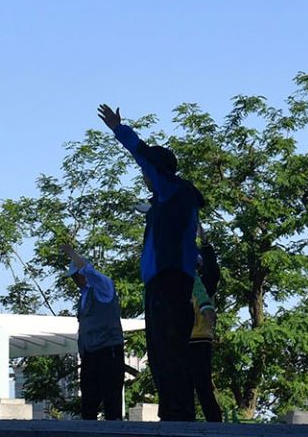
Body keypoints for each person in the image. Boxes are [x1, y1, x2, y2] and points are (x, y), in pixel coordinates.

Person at [98, 104, 205, 422]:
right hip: (168, 280)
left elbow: (143, 154)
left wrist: (120, 130)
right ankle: (175, 409)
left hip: (168, 281)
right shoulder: (169, 200)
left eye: (149, 173)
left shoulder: (172, 190)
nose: (145, 177)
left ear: (159, 173)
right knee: (163, 351)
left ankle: (178, 411)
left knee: (166, 349)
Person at [62, 244, 125, 421]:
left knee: (111, 403)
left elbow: (89, 270)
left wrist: (71, 253)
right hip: (90, 354)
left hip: (108, 351)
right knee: (88, 404)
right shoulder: (84, 296)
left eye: (76, 276)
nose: (75, 281)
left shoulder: (103, 287)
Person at [186, 239, 223, 423]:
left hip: (200, 339)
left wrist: (207, 245)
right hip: (185, 339)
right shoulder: (184, 281)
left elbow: (213, 271)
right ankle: (187, 422)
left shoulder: (205, 282)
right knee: (185, 385)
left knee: (202, 385)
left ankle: (214, 422)